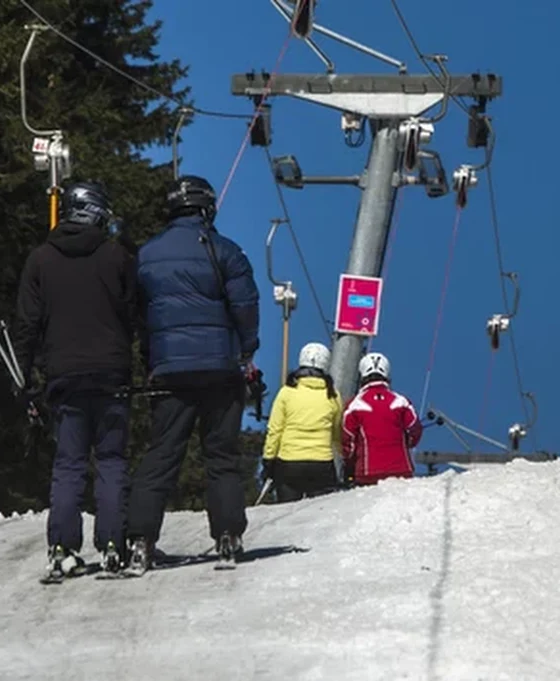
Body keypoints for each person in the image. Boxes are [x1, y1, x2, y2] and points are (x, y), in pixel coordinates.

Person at [124, 174, 260, 572]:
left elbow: (139, 314)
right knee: (221, 455)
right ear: (206, 207)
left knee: (162, 454)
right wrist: (246, 349)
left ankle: (141, 540)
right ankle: (228, 535)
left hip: (170, 370)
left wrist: (152, 359)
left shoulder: (147, 255)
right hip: (220, 367)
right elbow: (245, 306)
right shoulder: (225, 250)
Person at [10, 180, 137, 580]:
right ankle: (114, 542)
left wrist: (24, 379)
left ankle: (62, 546)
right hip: (110, 372)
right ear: (97, 212)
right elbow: (133, 312)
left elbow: (27, 325)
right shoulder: (116, 256)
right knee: (112, 460)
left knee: (69, 463)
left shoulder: (41, 260)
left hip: (63, 374)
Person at [261, 342, 343, 501]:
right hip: (322, 463)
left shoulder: (286, 392)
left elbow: (275, 430)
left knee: (288, 513)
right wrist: (344, 457)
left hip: (288, 463)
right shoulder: (333, 395)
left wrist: (268, 460)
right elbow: (336, 433)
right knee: (319, 515)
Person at [341, 352, 423, 486]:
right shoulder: (401, 401)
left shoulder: (354, 405)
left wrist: (350, 463)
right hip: (401, 471)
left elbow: (348, 442)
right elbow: (415, 429)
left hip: (367, 474)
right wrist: (406, 443)